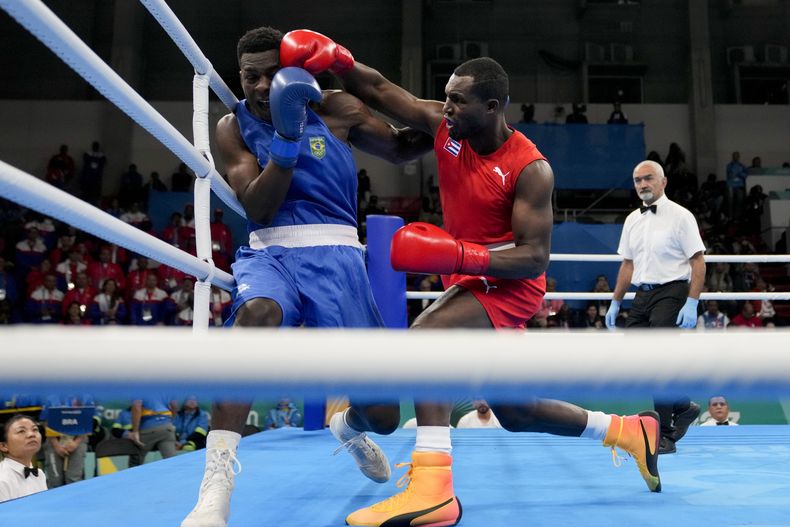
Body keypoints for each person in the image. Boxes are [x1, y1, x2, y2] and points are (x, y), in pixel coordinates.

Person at [281, 29, 662, 527]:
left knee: (425, 344)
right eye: (447, 99)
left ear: (493, 106)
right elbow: (379, 91)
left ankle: (433, 488)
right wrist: (339, 60)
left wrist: (461, 253)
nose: (448, 109)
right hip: (469, 280)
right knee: (516, 412)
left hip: (509, 286)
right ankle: (630, 431)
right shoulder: (448, 127)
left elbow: (534, 258)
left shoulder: (531, 169)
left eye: (459, 102)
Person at [180, 26, 434, 527]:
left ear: (298, 69)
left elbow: (405, 148)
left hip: (338, 257)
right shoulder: (234, 126)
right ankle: (216, 486)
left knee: (383, 416)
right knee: (257, 314)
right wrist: (287, 139)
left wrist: (448, 121)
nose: (260, 85)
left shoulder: (335, 108)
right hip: (270, 251)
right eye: (251, 76)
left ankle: (347, 425)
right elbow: (257, 203)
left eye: (273, 73)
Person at [605, 159, 705, 455]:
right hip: (642, 294)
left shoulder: (681, 216)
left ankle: (665, 436)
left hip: (672, 291)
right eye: (637, 180)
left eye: (648, 178)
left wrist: (692, 301)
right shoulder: (632, 220)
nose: (643, 184)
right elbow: (627, 264)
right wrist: (615, 301)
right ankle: (683, 406)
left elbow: (697, 261)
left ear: (663, 182)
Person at [0, 415, 47, 503]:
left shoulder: (40, 474)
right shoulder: (2, 479)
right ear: (3, 446)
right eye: (21, 431)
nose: (31, 434)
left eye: (35, 429)